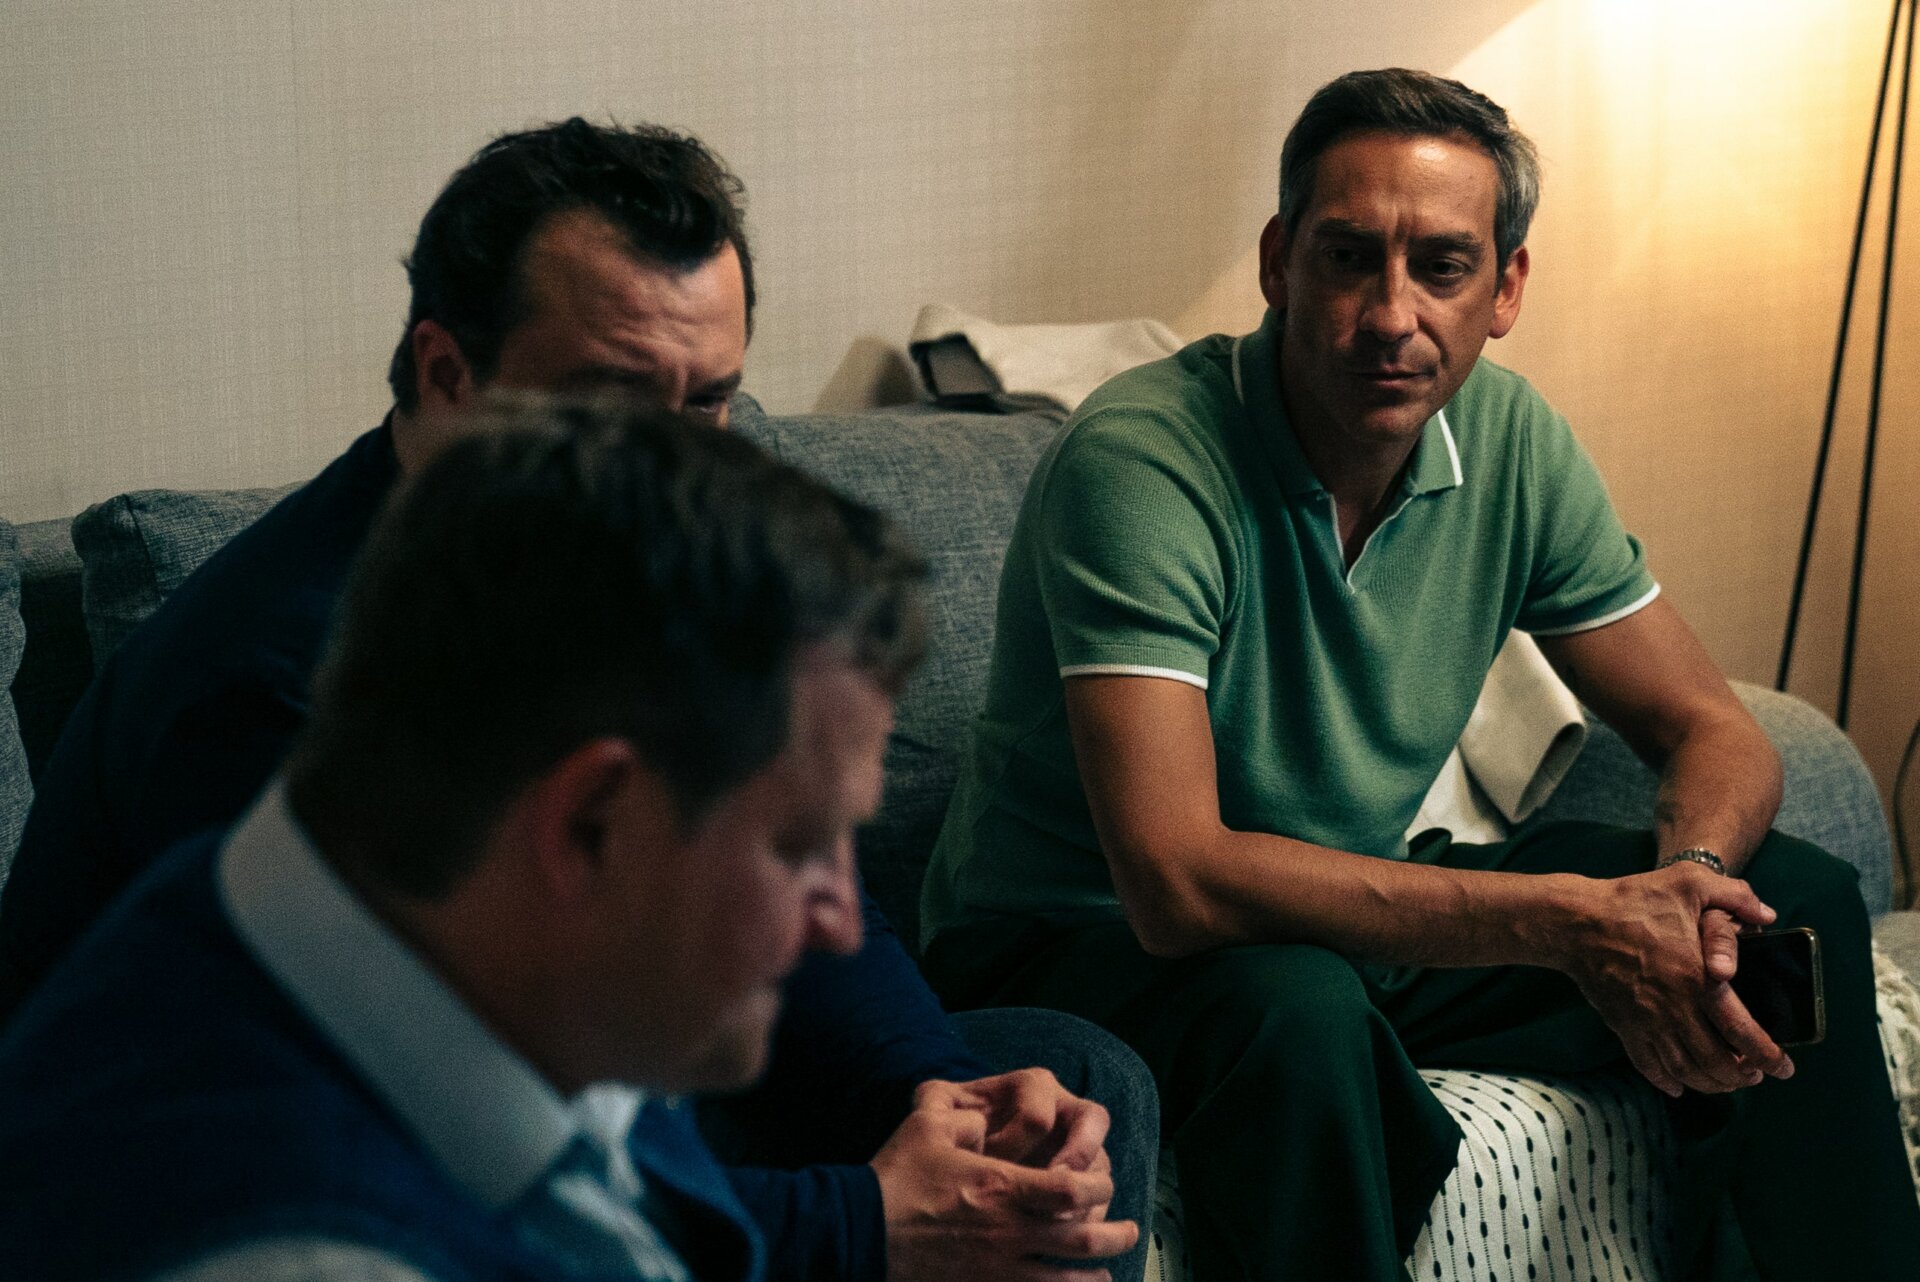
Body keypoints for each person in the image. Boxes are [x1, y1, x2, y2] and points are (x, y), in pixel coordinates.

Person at [0, 120, 1149, 1282]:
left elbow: (771, 880)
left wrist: (933, 1094)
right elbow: (438, 1123)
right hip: (293, 1162)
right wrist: (865, 1220)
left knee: (1059, 1091)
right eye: (613, 401)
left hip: (536, 1094)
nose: (680, 464)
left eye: (709, 403)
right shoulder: (283, 684)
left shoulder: (618, 570)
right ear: (450, 376)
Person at [919, 68, 1920, 1280]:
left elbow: (1713, 728)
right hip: (1074, 943)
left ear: (1506, 288)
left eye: (1442, 267)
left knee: (1783, 907)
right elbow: (1175, 879)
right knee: (1296, 1010)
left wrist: (1685, 891)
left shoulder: (1510, 439)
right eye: (1349, 258)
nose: (1392, 315)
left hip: (1343, 911)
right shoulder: (1143, 462)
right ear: (1279, 262)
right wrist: (1572, 924)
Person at [0, 401, 933, 1279]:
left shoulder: (357, 918)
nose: (843, 925)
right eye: (802, 846)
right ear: (589, 824)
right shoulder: (300, 1251)